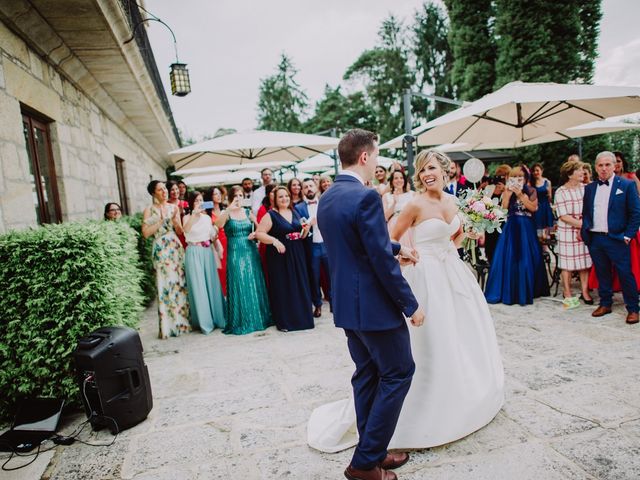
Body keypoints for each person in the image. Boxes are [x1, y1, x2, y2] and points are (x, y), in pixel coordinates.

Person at [308, 149, 504, 460]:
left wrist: (463, 236)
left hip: (453, 273)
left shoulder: (454, 201)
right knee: (428, 345)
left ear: (445, 170)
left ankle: (462, 398)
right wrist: (405, 269)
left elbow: (453, 239)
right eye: (423, 169)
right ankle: (413, 422)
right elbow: (387, 240)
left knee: (460, 337)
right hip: (427, 279)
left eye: (432, 168)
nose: (428, 174)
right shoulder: (413, 204)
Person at [315, 129, 425, 480]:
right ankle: (364, 464)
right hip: (375, 307)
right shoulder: (365, 197)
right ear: (364, 157)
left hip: (347, 305)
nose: (377, 161)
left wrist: (397, 248)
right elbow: (376, 259)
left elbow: (359, 245)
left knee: (367, 376)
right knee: (399, 372)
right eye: (375, 155)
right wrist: (410, 305)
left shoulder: (328, 197)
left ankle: (373, 451)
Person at [581, 151, 640, 325]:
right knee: (602, 272)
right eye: (600, 165)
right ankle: (605, 303)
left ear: (615, 166)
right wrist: (586, 230)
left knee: (625, 274)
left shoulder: (627, 185)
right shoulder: (590, 188)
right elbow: (586, 212)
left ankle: (633, 308)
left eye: (608, 165)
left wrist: (628, 235)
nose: (604, 168)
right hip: (596, 238)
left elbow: (635, 213)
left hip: (618, 238)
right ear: (596, 167)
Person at [485, 166, 550, 305]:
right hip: (511, 226)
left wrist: (520, 195)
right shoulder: (507, 191)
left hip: (526, 227)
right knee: (508, 258)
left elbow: (533, 208)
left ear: (525, 179)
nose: (517, 180)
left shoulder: (531, 191)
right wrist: (507, 196)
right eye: (514, 177)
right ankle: (508, 290)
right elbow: (502, 211)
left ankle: (528, 289)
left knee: (526, 258)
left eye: (520, 177)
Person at [256, 186, 314, 332]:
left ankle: (303, 319)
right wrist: (274, 241)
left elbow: (301, 234)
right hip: (280, 256)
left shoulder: (295, 212)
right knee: (284, 286)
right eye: (281, 197)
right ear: (274, 199)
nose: (285, 199)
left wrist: (306, 230)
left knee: (300, 284)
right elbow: (259, 233)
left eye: (286, 196)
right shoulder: (271, 215)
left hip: (297, 252)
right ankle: (286, 322)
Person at [215, 185, 273, 334]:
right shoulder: (226, 213)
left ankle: (259, 317)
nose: (238, 198)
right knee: (239, 282)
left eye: (240, 195)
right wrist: (228, 208)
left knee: (254, 281)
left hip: (250, 252)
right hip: (235, 252)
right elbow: (218, 225)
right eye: (235, 196)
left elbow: (261, 229)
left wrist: (255, 234)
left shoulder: (248, 212)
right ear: (230, 198)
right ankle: (241, 319)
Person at [142, 180, 190, 339]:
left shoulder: (174, 207)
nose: (164, 192)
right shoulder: (149, 210)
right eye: (160, 189)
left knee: (178, 283)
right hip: (161, 247)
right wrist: (161, 220)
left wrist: (177, 222)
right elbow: (146, 233)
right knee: (164, 284)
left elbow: (180, 231)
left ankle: (181, 323)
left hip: (175, 246)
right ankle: (167, 326)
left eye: (165, 188)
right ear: (153, 193)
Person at [182, 191, 226, 334]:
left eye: (201, 200)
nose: (199, 203)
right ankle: (204, 322)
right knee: (199, 286)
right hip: (194, 252)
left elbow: (211, 235)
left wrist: (215, 235)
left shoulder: (207, 218)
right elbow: (186, 231)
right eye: (196, 201)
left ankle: (217, 318)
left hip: (207, 252)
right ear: (191, 203)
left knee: (212, 284)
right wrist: (194, 215)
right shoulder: (187, 217)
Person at [553, 160, 593, 306]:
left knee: (584, 263)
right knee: (567, 265)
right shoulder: (560, 192)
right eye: (579, 170)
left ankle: (585, 291)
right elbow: (563, 216)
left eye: (583, 170)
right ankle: (568, 292)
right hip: (567, 232)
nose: (583, 172)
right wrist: (584, 225)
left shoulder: (586, 188)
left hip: (584, 232)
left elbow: (591, 209)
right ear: (570, 174)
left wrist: (585, 225)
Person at [295, 178, 331, 318]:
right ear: (302, 190)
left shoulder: (325, 201)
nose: (309, 188)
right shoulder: (298, 208)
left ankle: (335, 303)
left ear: (316, 187)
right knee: (313, 277)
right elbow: (299, 227)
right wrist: (309, 225)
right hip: (311, 246)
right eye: (305, 187)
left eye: (311, 185)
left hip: (327, 244)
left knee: (332, 275)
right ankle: (318, 304)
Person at [383, 170, 415, 248]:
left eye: (401, 178)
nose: (399, 180)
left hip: (409, 226)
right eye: (396, 178)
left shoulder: (412, 194)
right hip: (393, 226)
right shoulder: (386, 196)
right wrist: (394, 202)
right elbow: (385, 217)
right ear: (392, 181)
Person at [209, 186, 228, 295]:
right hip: (215, 242)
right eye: (215, 194)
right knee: (218, 269)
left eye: (219, 193)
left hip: (227, 240)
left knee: (227, 268)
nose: (218, 196)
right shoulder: (207, 212)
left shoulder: (225, 209)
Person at [530, 163, 554, 240]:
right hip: (536, 207)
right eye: (534, 171)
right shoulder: (531, 183)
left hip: (546, 206)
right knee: (537, 230)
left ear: (542, 171)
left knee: (547, 231)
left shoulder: (547, 182)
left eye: (537, 170)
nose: (535, 172)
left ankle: (546, 249)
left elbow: (550, 196)